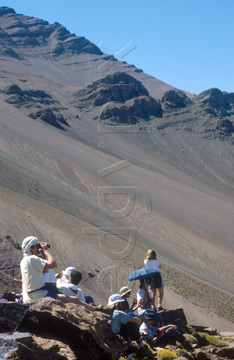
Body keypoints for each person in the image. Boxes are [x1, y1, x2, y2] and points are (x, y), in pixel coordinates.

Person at [20, 236, 95, 311]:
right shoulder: (32, 259)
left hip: (32, 297)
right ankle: (95, 310)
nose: (38, 248)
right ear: (31, 248)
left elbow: (46, 270)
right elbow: (53, 264)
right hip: (42, 295)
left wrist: (42, 253)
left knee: (72, 299)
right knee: (75, 300)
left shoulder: (24, 261)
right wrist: (45, 251)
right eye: (37, 246)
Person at [108, 294, 155, 359]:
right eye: (121, 303)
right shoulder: (117, 313)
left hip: (113, 336)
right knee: (131, 324)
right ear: (118, 304)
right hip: (118, 339)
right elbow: (137, 321)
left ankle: (132, 346)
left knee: (127, 323)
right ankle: (142, 347)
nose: (122, 305)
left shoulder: (108, 313)